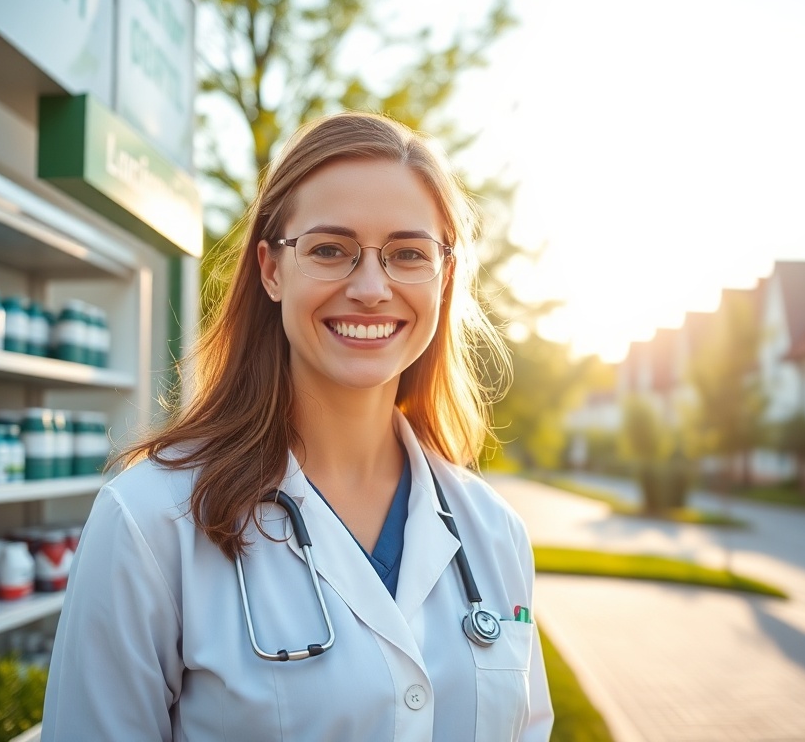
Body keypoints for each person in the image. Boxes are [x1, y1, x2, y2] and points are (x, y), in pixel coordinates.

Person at [41, 111, 554, 741]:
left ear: (444, 277)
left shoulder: (495, 533)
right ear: (271, 269)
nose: (371, 288)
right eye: (330, 249)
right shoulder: (150, 521)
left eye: (408, 254)